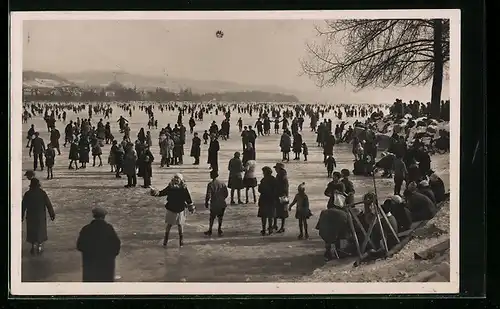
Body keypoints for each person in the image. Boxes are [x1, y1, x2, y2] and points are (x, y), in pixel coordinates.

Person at [76, 207, 121, 282]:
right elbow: (116, 244)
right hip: (106, 264)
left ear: (94, 216)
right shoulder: (109, 228)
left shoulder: (86, 229)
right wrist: (112, 255)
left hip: (90, 264)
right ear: (104, 216)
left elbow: (79, 246)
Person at [151, 173, 195, 248]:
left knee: (180, 225)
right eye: (175, 178)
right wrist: (155, 192)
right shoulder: (170, 187)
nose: (176, 179)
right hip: (171, 208)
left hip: (180, 209)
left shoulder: (183, 188)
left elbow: (188, 198)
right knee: (169, 225)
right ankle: (165, 240)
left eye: (178, 178)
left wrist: (191, 207)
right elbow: (162, 193)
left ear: (181, 180)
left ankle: (181, 241)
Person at [22, 178, 55, 255]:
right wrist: (52, 214)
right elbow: (48, 204)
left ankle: (33, 246)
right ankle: (39, 247)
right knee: (40, 231)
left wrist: (21, 215)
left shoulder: (28, 194)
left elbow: (23, 206)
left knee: (32, 231)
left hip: (31, 216)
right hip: (40, 216)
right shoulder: (42, 193)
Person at [204, 170, 229, 237]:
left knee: (212, 217)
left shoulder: (210, 184)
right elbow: (226, 194)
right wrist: (222, 198)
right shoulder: (222, 183)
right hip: (222, 203)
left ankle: (210, 230)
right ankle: (219, 229)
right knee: (220, 217)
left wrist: (206, 202)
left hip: (214, 203)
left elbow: (208, 195)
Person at [257, 166, 278, 236]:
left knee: (263, 216)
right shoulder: (274, 179)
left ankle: (263, 229)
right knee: (270, 215)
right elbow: (276, 190)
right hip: (271, 199)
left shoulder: (263, 180)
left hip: (264, 199)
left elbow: (260, 190)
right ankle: (270, 229)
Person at [273, 162, 289, 233]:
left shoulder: (281, 176)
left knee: (282, 211)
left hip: (282, 195)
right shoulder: (280, 175)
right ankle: (275, 224)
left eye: (276, 168)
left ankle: (282, 227)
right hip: (282, 195)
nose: (275, 170)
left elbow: (282, 187)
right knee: (277, 210)